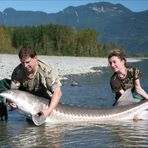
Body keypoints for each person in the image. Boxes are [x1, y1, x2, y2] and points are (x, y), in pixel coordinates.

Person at [9, 45, 62, 118]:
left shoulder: (46, 70)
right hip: (30, 99)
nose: (25, 66)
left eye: (28, 62)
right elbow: (13, 91)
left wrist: (48, 111)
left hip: (45, 100)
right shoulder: (18, 71)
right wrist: (11, 103)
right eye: (22, 62)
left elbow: (58, 92)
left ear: (35, 58)